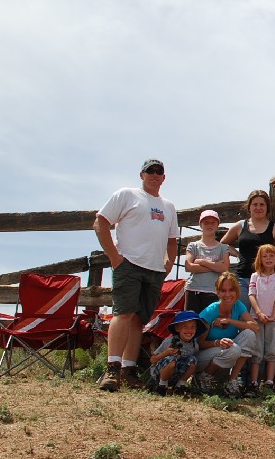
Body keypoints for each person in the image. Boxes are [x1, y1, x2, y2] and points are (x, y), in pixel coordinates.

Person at [93, 158, 179, 392]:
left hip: (155, 270)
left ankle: (128, 370)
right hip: (129, 264)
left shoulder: (169, 206)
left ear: (164, 177)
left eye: (159, 171)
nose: (154, 175)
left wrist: (168, 264)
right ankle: (112, 368)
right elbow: (101, 222)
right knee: (123, 313)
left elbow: (172, 241)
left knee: (139, 319)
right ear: (141, 175)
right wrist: (114, 257)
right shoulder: (127, 195)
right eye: (150, 171)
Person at [196, 272, 261, 398]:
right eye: (223, 290)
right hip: (203, 358)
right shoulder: (210, 311)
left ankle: (232, 381)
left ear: (237, 291)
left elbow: (255, 327)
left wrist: (230, 321)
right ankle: (203, 376)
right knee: (233, 348)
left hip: (226, 356)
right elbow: (200, 343)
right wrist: (218, 343)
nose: (227, 294)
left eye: (231, 290)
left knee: (249, 334)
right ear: (217, 293)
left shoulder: (238, 305)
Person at [221, 190, 275, 309]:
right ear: (249, 207)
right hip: (243, 279)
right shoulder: (240, 226)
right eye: (255, 204)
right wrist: (237, 254)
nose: (258, 208)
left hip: (266, 281)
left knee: (263, 316)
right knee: (243, 315)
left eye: (262, 204)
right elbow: (222, 245)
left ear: (267, 207)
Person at [247, 244, 275, 394]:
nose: (268, 259)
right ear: (260, 259)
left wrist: (273, 315)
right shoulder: (255, 276)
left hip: (273, 319)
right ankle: (254, 382)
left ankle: (269, 382)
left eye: (271, 256)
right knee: (257, 349)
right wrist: (258, 313)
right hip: (256, 318)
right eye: (265, 256)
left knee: (272, 349)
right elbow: (252, 295)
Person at [148, 310, 208, 396]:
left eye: (193, 327)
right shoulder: (169, 341)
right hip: (159, 373)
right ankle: (162, 386)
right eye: (185, 327)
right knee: (171, 360)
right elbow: (152, 360)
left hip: (177, 374)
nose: (189, 330)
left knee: (193, 360)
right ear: (177, 328)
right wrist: (166, 353)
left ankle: (179, 386)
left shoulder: (194, 345)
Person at [184, 209, 232, 314]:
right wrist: (215, 266)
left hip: (213, 291)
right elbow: (188, 266)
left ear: (217, 225)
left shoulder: (223, 247)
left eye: (213, 223)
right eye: (206, 222)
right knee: (191, 321)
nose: (209, 225)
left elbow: (225, 268)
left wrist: (202, 262)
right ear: (200, 225)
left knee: (210, 322)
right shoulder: (193, 245)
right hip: (193, 290)